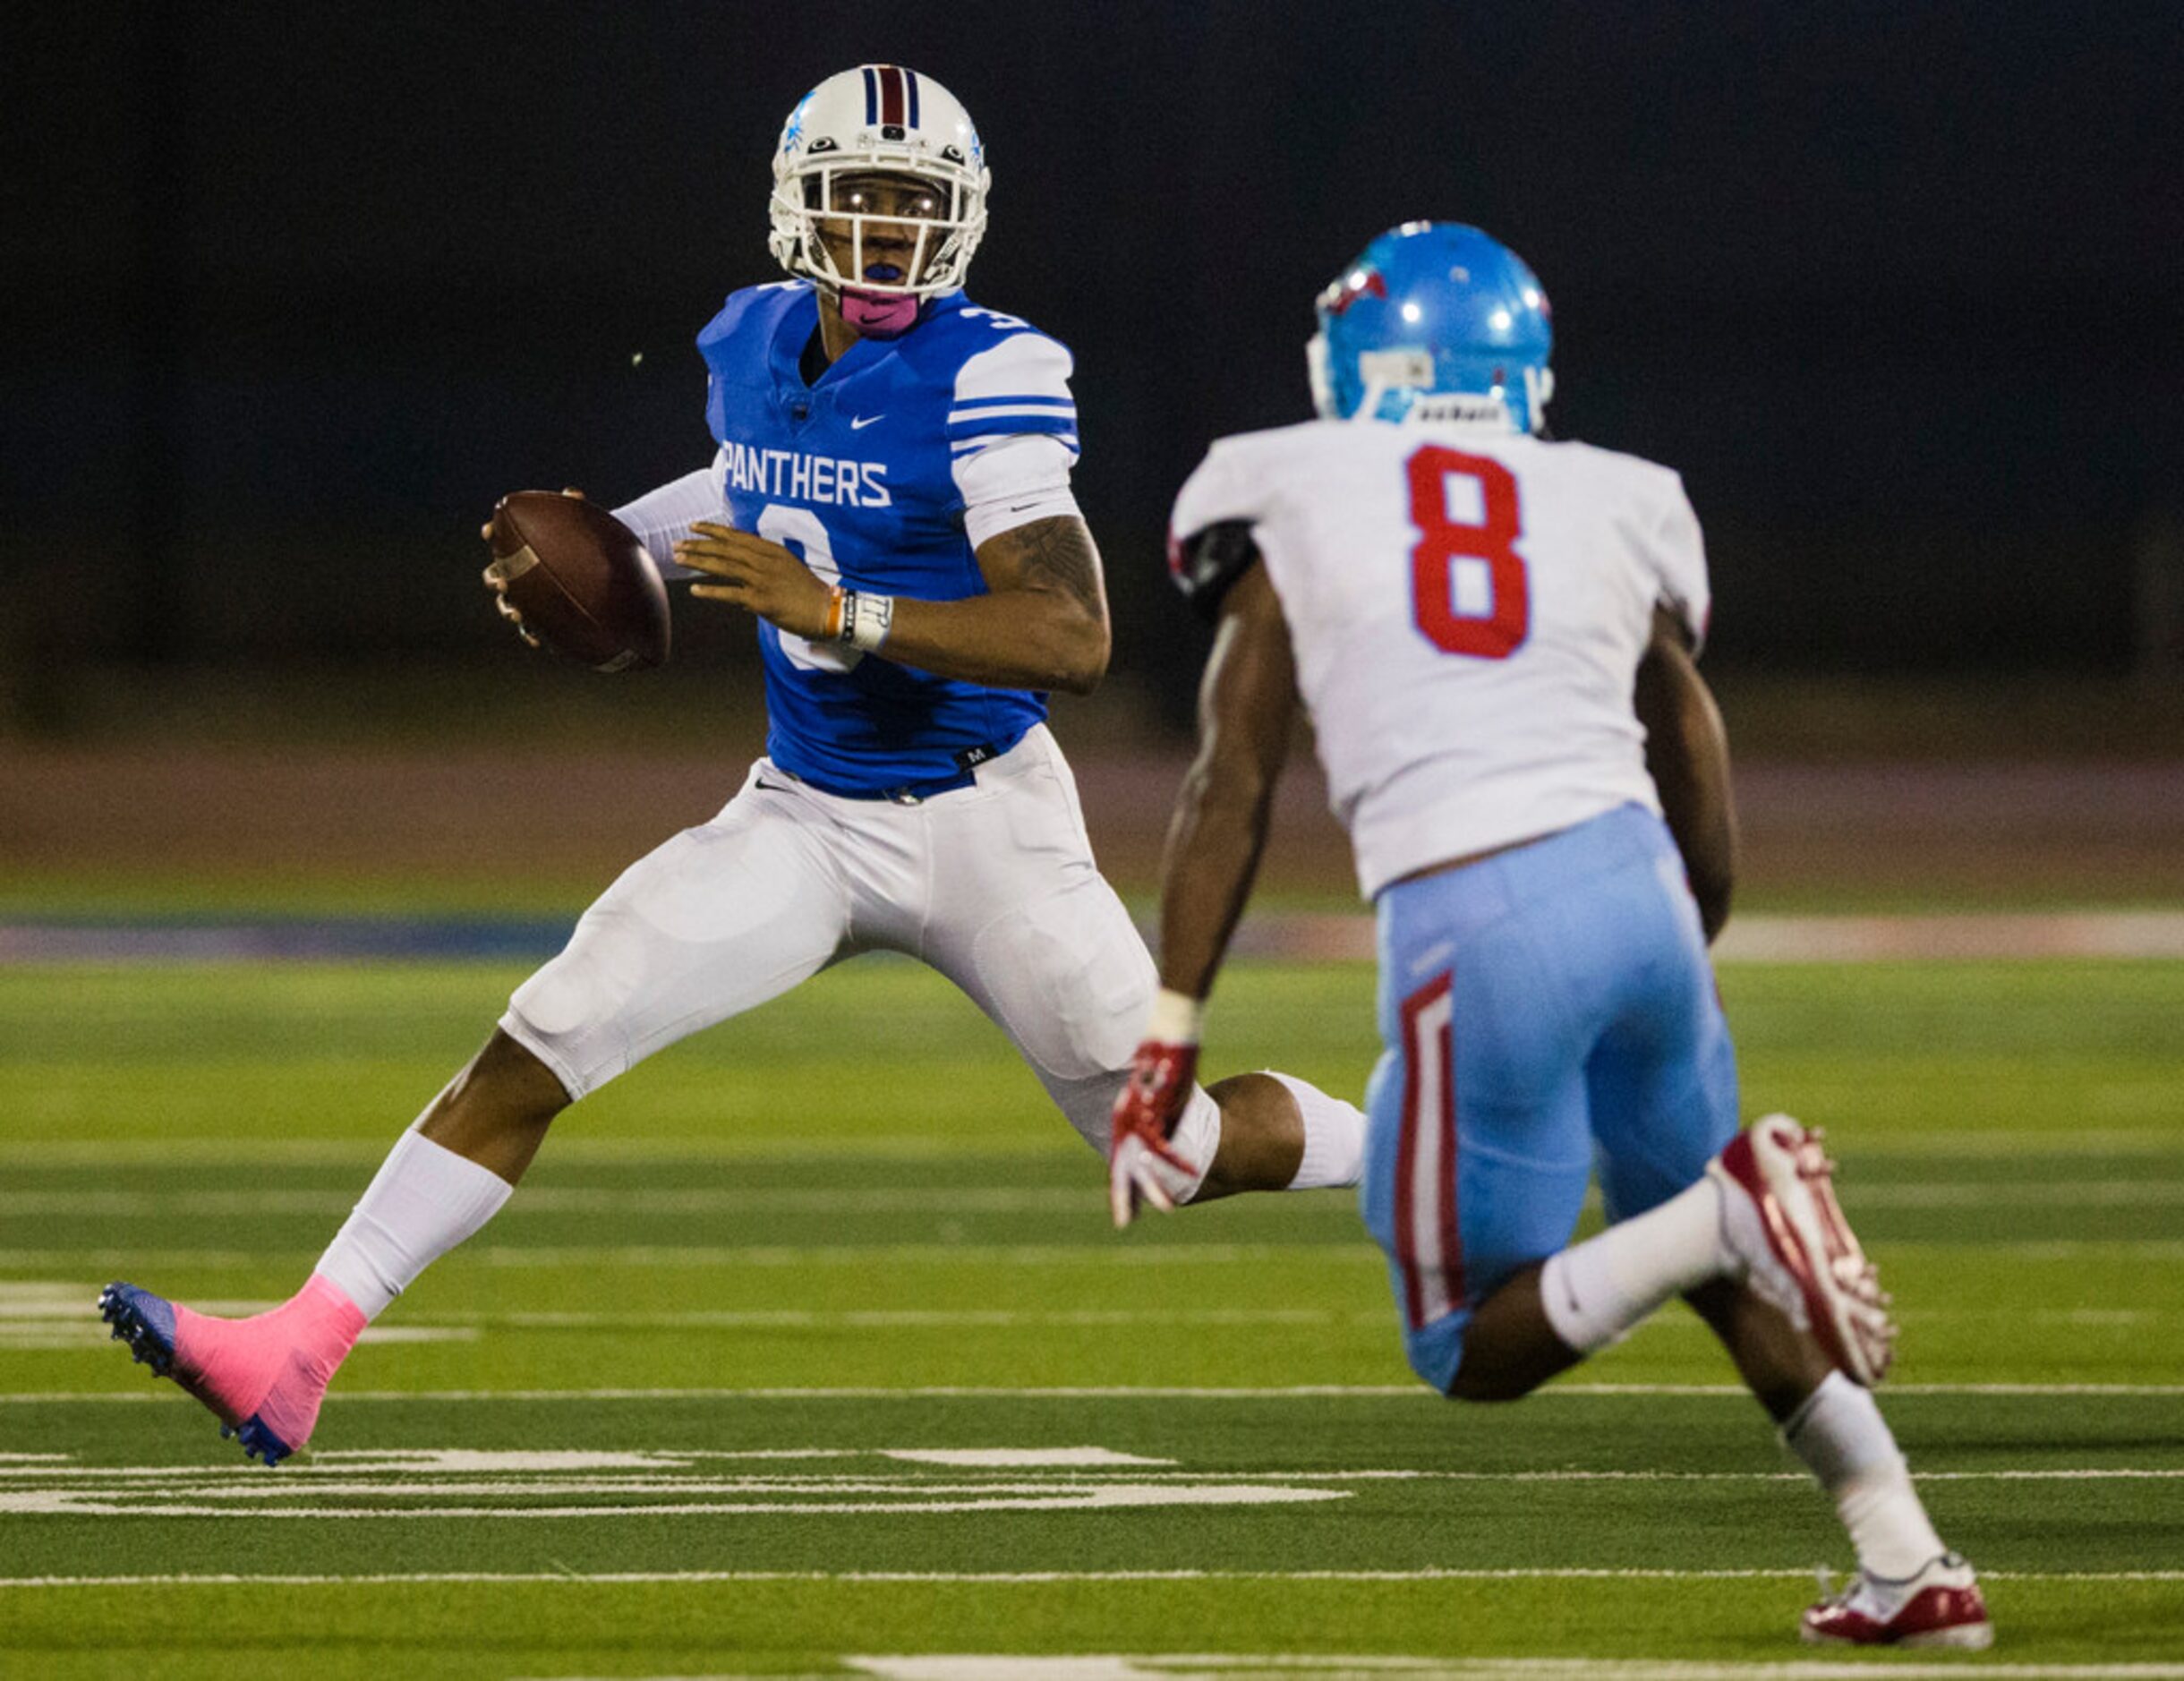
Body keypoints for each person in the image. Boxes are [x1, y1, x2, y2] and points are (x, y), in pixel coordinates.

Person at [98, 64, 1363, 1466]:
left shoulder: (990, 371)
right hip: (808, 818)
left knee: (1172, 1151)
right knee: (550, 1027)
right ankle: (293, 1348)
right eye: (861, 202)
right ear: (797, 205)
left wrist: (840, 612)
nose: (886, 235)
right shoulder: (756, 341)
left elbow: (1070, 632)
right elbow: (757, 483)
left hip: (984, 818)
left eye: (914, 207)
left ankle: (1419, 1153)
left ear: (962, 222)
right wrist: (622, 545)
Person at [1107, 222, 1992, 1650]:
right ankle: (1908, 1554)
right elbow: (1688, 730)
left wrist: (1169, 1035)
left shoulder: (1295, 483)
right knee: (1698, 1255)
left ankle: (1731, 1203)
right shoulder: (1612, 495)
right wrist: (1682, 929)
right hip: (1638, 882)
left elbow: (1230, 781)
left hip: (1478, 911)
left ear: (1372, 365)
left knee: (1471, 1337)